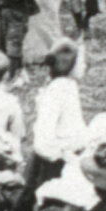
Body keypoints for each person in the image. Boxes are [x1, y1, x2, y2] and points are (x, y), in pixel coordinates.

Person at [31, 39, 87, 188]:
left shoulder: (69, 85)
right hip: (56, 163)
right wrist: (61, 155)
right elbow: (43, 136)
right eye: (81, 62)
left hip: (71, 154)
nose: (84, 66)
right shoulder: (57, 90)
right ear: (68, 65)